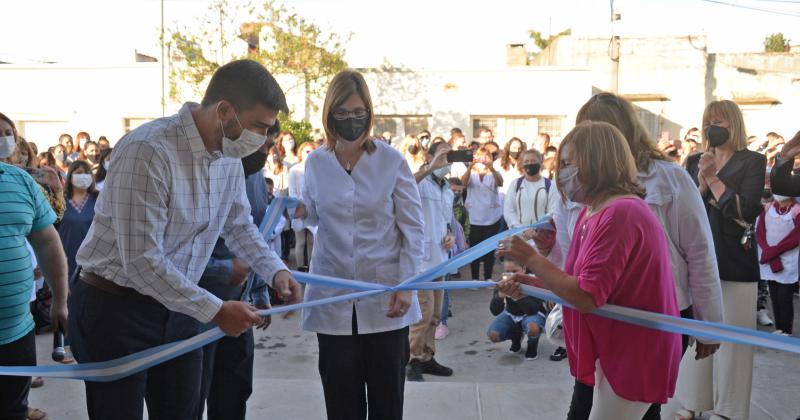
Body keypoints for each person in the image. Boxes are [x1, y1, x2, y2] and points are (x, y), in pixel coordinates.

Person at [69, 59, 303, 420]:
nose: (265, 140)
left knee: (184, 411)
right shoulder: (148, 150)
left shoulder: (227, 157)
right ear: (225, 111)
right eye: (260, 126)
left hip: (180, 308)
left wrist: (275, 271)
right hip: (116, 309)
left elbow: (239, 225)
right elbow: (142, 261)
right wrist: (215, 310)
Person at [497, 121, 682, 420]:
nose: (563, 173)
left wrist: (530, 258)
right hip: (613, 346)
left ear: (597, 161)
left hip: (633, 352)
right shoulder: (592, 211)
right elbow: (578, 283)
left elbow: (586, 296)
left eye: (570, 164)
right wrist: (528, 282)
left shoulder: (621, 212)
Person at [566, 92, 723, 419]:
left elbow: (699, 252)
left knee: (642, 404)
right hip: (598, 313)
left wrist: (709, 324)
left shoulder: (670, 177)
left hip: (658, 317)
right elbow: (573, 245)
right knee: (585, 399)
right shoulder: (582, 180)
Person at [295, 69, 424, 420]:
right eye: (343, 113)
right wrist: (299, 211)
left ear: (368, 113)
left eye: (358, 113)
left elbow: (414, 229)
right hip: (333, 296)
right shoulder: (316, 162)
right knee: (341, 403)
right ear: (329, 114)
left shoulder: (391, 160)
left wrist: (408, 285)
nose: (351, 121)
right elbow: (312, 215)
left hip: (386, 296)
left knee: (386, 403)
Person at [680, 100, 766, 420]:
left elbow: (746, 211)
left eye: (720, 121)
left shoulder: (753, 161)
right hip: (700, 259)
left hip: (735, 260)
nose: (713, 128)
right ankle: (693, 401)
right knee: (698, 332)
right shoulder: (694, 160)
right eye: (708, 122)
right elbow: (687, 212)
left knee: (735, 338)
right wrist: (701, 187)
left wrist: (715, 180)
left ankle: (729, 409)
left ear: (734, 124)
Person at [196, 131, 280, 420]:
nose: (268, 150)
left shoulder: (256, 176)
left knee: (234, 390)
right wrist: (223, 270)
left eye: (272, 144)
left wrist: (260, 292)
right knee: (191, 393)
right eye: (265, 141)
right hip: (196, 308)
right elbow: (174, 251)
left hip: (241, 304)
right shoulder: (204, 169)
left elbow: (255, 233)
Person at [0, 111, 69, 420]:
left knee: (13, 411)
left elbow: (48, 242)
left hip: (16, 332)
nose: (2, 139)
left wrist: (60, 300)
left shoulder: (20, 182)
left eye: (6, 132)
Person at [406, 141, 455, 382]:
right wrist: (429, 167)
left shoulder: (447, 190)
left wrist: (450, 237)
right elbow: (403, 186)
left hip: (440, 261)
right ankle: (413, 359)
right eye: (443, 157)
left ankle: (427, 357)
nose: (446, 163)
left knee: (435, 314)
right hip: (421, 262)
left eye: (450, 158)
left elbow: (446, 222)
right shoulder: (421, 183)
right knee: (422, 315)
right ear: (430, 156)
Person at [755, 193, 799, 336]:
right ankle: (779, 328)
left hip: (788, 260)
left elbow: (796, 237)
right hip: (770, 261)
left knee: (784, 297)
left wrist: (774, 251)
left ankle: (786, 329)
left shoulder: (796, 210)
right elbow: (760, 231)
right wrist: (768, 251)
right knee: (774, 294)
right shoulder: (768, 209)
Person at [488, 258, 548, 360]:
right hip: (512, 313)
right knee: (493, 335)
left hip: (533, 313)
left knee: (532, 328)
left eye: (515, 271)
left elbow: (533, 310)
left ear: (524, 269)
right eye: (507, 271)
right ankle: (516, 337)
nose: (511, 275)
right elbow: (495, 311)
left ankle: (532, 345)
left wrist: (517, 297)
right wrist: (500, 296)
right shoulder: (501, 281)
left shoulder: (533, 282)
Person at [461, 146, 503, 281]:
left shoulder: (493, 172)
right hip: (474, 217)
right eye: (480, 156)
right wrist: (469, 167)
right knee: (475, 248)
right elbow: (463, 183)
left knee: (489, 248)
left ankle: (488, 277)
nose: (482, 159)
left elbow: (500, 182)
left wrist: (492, 168)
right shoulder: (471, 173)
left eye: (486, 157)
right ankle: (474, 278)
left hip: (491, 216)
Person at [59, 161, 98, 280]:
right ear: (70, 176)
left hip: (92, 259)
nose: (84, 176)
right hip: (65, 256)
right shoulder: (60, 201)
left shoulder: (98, 199)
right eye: (79, 173)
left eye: (87, 173)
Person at [503, 149, 559, 231]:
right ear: (522, 164)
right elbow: (509, 210)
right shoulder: (515, 184)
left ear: (540, 162)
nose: (530, 163)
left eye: (533, 161)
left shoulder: (551, 185)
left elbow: (553, 210)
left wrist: (538, 229)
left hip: (543, 234)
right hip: (519, 234)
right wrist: (520, 229)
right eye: (526, 161)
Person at [288, 140, 318, 271]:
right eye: (307, 151)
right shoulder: (294, 170)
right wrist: (299, 205)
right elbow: (292, 191)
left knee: (312, 240)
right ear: (301, 152)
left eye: (312, 151)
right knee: (300, 241)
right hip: (299, 208)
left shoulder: (317, 169)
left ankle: (312, 267)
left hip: (313, 208)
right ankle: (301, 267)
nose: (309, 154)